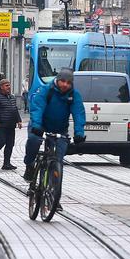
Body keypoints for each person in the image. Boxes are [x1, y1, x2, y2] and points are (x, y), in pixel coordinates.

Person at [23, 69, 87, 200]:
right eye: (62, 81)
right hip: (40, 126)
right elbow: (37, 108)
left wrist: (79, 133)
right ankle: (29, 165)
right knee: (34, 142)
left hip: (60, 130)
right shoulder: (46, 90)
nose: (65, 85)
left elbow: (78, 114)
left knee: (58, 162)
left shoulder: (74, 95)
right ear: (57, 80)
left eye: (68, 83)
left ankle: (54, 197)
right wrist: (36, 125)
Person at [0, 78, 23, 169]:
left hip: (11, 125)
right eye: (6, 86)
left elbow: (15, 110)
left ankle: (6, 164)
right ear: (1, 87)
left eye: (9, 85)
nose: (9, 87)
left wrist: (19, 120)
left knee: (10, 144)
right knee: (1, 142)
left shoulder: (12, 97)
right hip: (0, 125)